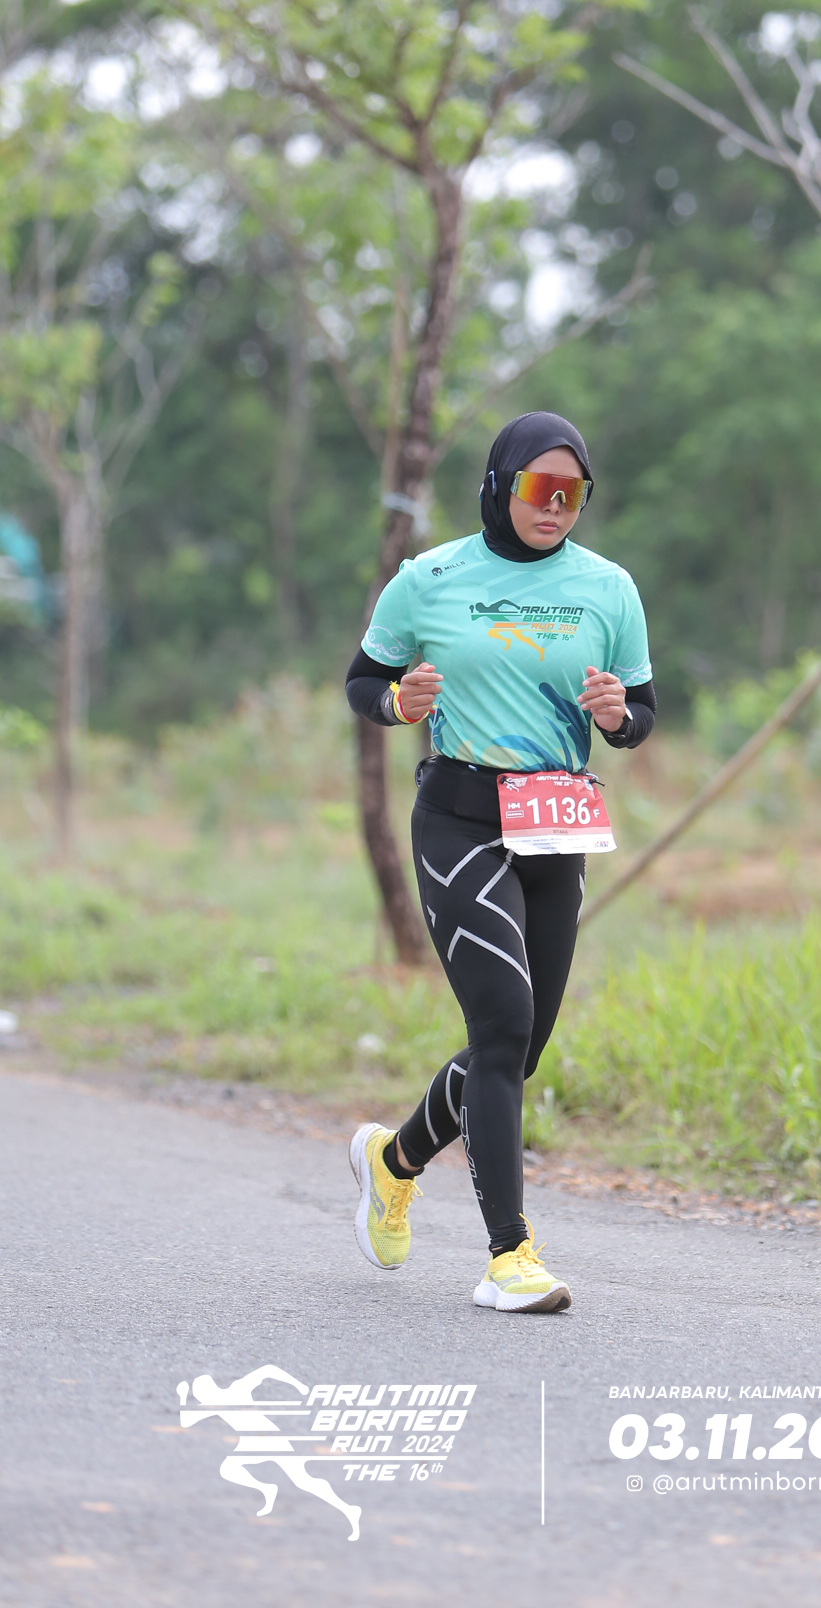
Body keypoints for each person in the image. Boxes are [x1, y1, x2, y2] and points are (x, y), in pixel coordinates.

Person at [345, 411, 656, 1311]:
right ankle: (508, 1257)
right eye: (538, 489)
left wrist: (617, 719)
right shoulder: (430, 578)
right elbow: (363, 681)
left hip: (558, 823)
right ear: (499, 485)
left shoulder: (609, 589)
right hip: (461, 819)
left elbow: (641, 711)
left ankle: (394, 1160)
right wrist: (399, 704)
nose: (555, 507)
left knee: (515, 1049)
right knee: (504, 1020)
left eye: (572, 493)